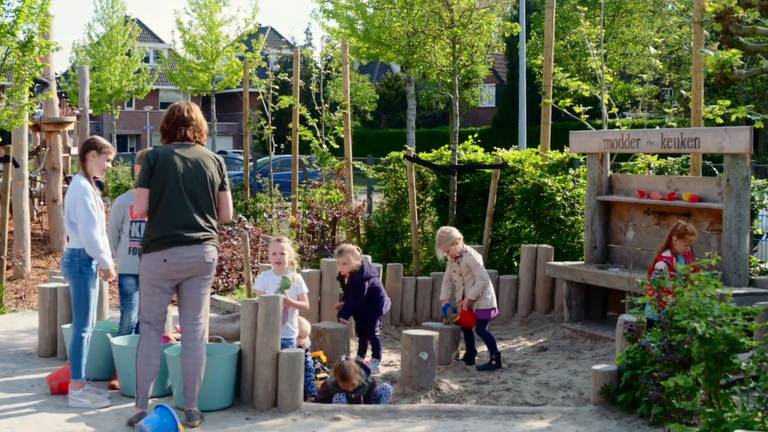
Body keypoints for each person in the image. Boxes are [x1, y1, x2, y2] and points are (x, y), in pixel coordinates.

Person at [129, 101, 232, 429]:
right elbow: (226, 215)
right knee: (194, 332)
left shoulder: (155, 157)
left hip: (159, 254)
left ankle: (143, 407)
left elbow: (140, 208)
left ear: (167, 127)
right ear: (200, 127)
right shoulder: (215, 160)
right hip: (201, 253)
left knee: (150, 330)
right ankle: (191, 408)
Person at [61, 136, 117, 408]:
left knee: (86, 326)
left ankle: (80, 383)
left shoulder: (85, 186)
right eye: (106, 159)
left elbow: (95, 232)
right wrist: (106, 263)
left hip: (85, 258)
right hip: (82, 258)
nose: (108, 166)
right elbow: (91, 233)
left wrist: (105, 260)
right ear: (91, 155)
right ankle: (76, 388)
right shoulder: (82, 188)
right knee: (83, 327)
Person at [436, 226, 501, 371]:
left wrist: (470, 298)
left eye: (448, 251)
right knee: (465, 326)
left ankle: (495, 359)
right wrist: (444, 299)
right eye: (445, 252)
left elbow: (483, 279)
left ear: (457, 242)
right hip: (467, 302)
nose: (447, 255)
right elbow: (447, 280)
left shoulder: (471, 256)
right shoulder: (452, 259)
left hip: (483, 300)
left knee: (481, 329)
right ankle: (470, 354)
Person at [108, 149, 149, 337]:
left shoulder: (163, 201)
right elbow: (112, 235)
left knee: (147, 321)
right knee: (128, 317)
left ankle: (141, 362)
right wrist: (118, 259)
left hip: (154, 270)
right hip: (129, 268)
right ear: (137, 170)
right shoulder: (123, 201)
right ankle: (122, 362)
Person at [334, 244, 390, 375]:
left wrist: (344, 315)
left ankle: (376, 360)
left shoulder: (362, 278)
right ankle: (360, 356)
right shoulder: (347, 274)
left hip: (375, 305)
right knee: (361, 331)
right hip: (364, 305)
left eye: (344, 264)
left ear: (354, 263)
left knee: (372, 332)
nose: (340, 267)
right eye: (338, 263)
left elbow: (356, 299)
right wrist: (344, 303)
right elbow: (349, 293)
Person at [253, 236, 310, 349]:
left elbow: (306, 305)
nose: (278, 257)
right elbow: (260, 303)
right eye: (274, 254)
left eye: (282, 253)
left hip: (289, 334)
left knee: (287, 364)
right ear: (269, 257)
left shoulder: (296, 278)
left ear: (290, 257)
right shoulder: (264, 277)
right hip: (268, 333)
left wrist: (289, 302)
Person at [645, 220, 698, 323]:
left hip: (675, 310)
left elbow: (694, 275)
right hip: (657, 314)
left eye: (690, 245)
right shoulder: (662, 264)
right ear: (674, 240)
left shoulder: (685, 256)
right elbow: (656, 290)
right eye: (686, 245)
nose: (688, 249)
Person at [315, 357, 393, 404]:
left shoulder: (368, 382)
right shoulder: (330, 386)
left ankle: (381, 413)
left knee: (386, 387)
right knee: (339, 397)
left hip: (367, 410)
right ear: (337, 380)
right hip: (344, 412)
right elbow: (319, 401)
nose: (350, 389)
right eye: (344, 386)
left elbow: (371, 399)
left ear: (358, 378)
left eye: (353, 385)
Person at [297, 316, 318, 401]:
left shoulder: (305, 354)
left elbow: (309, 374)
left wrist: (311, 393)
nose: (302, 341)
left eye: (304, 337)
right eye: (299, 337)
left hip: (304, 390)